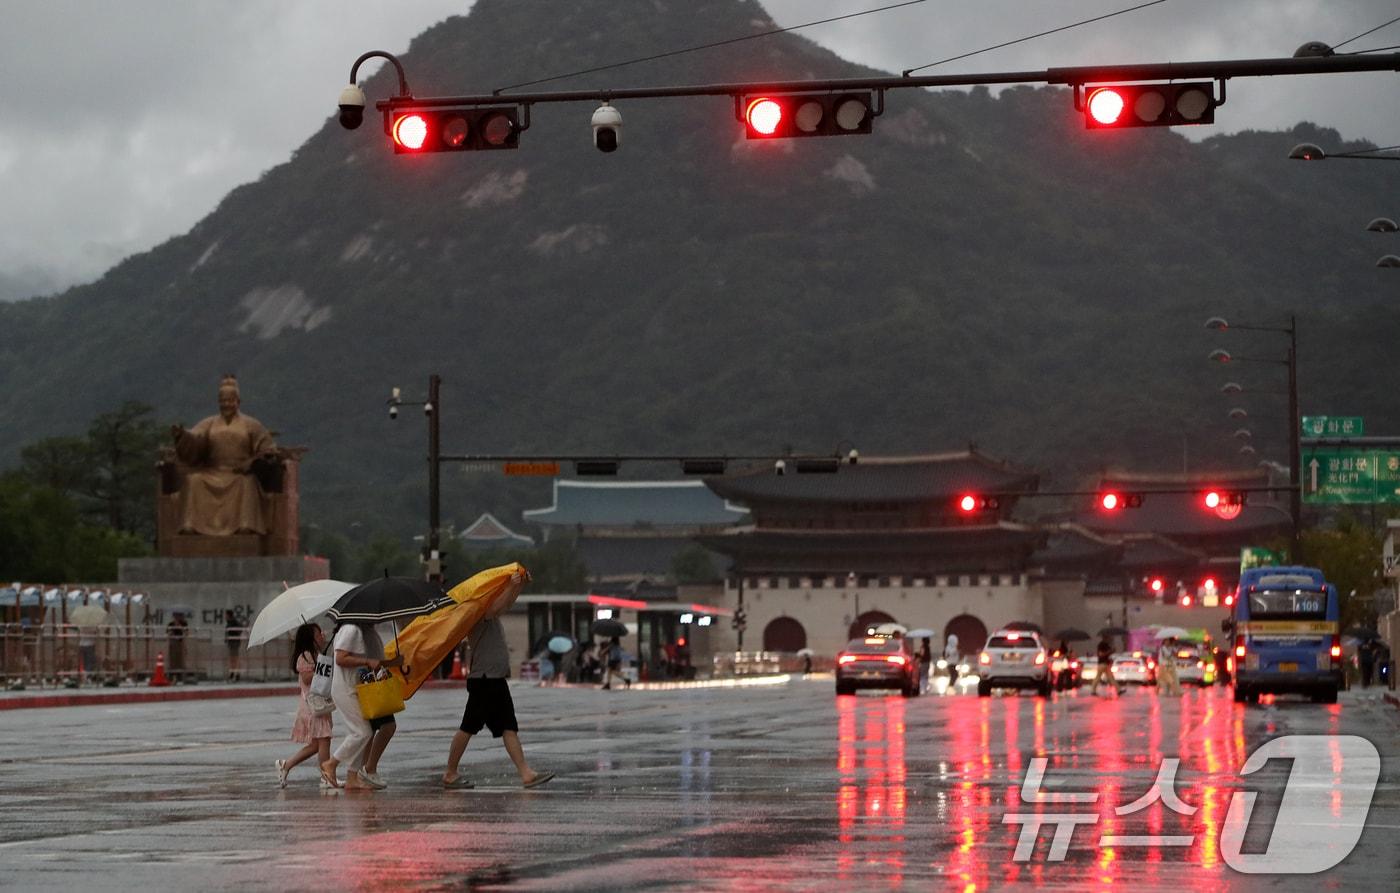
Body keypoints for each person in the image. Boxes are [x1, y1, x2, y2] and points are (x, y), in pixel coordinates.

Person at [442, 615, 554, 790]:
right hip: (485, 679)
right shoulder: (483, 609)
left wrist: (515, 585)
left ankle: (526, 774)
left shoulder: (489, 610)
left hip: (494, 679)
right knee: (468, 727)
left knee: (508, 727)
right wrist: (516, 585)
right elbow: (502, 603)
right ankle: (450, 772)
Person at [170, 375, 277, 536]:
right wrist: (182, 435)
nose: (226, 404)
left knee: (246, 482)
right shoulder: (209, 423)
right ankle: (190, 525)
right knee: (194, 481)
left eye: (230, 400)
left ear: (238, 401)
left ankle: (245, 526)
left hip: (239, 473)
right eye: (223, 401)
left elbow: (268, 448)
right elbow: (195, 437)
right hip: (213, 471)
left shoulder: (251, 424)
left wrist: (253, 461)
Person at [320, 620, 400, 792]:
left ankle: (352, 777)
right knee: (362, 732)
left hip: (354, 688)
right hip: (345, 689)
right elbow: (341, 658)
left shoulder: (358, 630)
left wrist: (389, 662)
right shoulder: (351, 629)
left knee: (363, 733)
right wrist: (366, 661)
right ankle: (331, 763)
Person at [276, 623, 334, 789]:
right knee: (324, 740)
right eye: (318, 634)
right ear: (310, 638)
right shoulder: (306, 655)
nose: (322, 636)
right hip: (312, 706)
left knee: (316, 744)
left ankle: (285, 765)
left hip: (319, 704)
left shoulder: (316, 654)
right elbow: (308, 678)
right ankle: (326, 777)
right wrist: (320, 667)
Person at [166, 612, 189, 680]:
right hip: (173, 642)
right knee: (173, 658)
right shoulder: (171, 624)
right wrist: (171, 631)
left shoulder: (184, 623)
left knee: (181, 658)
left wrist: (180, 627)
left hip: (181, 642)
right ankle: (172, 674)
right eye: (175, 616)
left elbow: (186, 633)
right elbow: (168, 633)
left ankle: (180, 674)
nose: (177, 618)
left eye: (179, 616)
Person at [224, 609, 243, 682]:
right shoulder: (229, 622)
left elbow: (239, 629)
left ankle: (236, 673)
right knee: (232, 658)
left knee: (235, 657)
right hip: (231, 642)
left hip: (235, 642)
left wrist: (235, 635)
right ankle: (232, 672)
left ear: (228, 615)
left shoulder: (234, 621)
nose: (225, 616)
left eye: (225, 615)